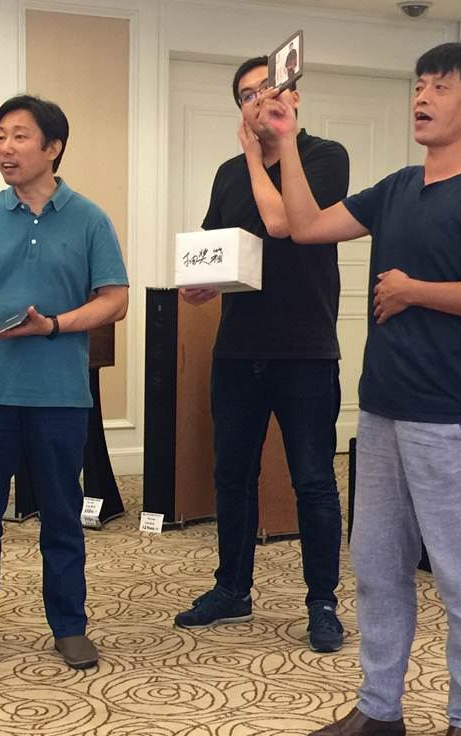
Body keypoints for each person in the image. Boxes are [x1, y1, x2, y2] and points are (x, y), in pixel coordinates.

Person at [263, 43, 461, 736]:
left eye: (439, 87)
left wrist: (414, 291)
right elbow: (304, 226)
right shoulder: (398, 186)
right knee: (378, 565)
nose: (422, 97)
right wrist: (286, 140)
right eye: (418, 85)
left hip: (454, 414)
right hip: (382, 407)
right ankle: (380, 704)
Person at [0, 95, 129, 671]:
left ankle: (69, 626)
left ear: (53, 147)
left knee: (62, 515)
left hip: (60, 394)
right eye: (0, 136)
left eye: (19, 136)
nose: (5, 149)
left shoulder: (89, 219)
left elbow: (115, 300)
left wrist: (54, 325)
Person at [174, 56, 350, 653]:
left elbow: (282, 225)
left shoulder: (325, 157)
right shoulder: (227, 174)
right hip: (237, 348)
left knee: (314, 480)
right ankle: (232, 588)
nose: (259, 101)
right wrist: (200, 283)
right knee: (232, 475)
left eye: (268, 90)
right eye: (247, 95)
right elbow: (214, 244)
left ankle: (322, 602)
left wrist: (257, 155)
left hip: (305, 348)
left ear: (292, 97)